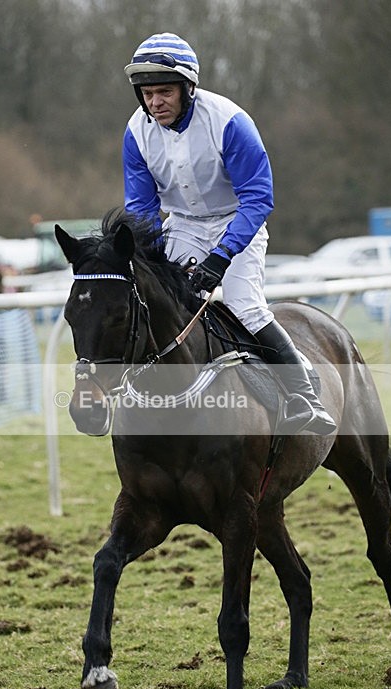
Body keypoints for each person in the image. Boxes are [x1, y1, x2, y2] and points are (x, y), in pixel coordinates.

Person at [123, 32, 336, 435]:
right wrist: (148, 259)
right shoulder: (136, 132)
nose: (155, 103)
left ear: (188, 88)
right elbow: (141, 208)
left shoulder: (230, 121)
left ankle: (303, 396)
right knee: (158, 302)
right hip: (182, 225)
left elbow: (258, 197)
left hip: (236, 222)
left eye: (165, 92)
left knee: (244, 304)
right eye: (148, 94)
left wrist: (222, 256)